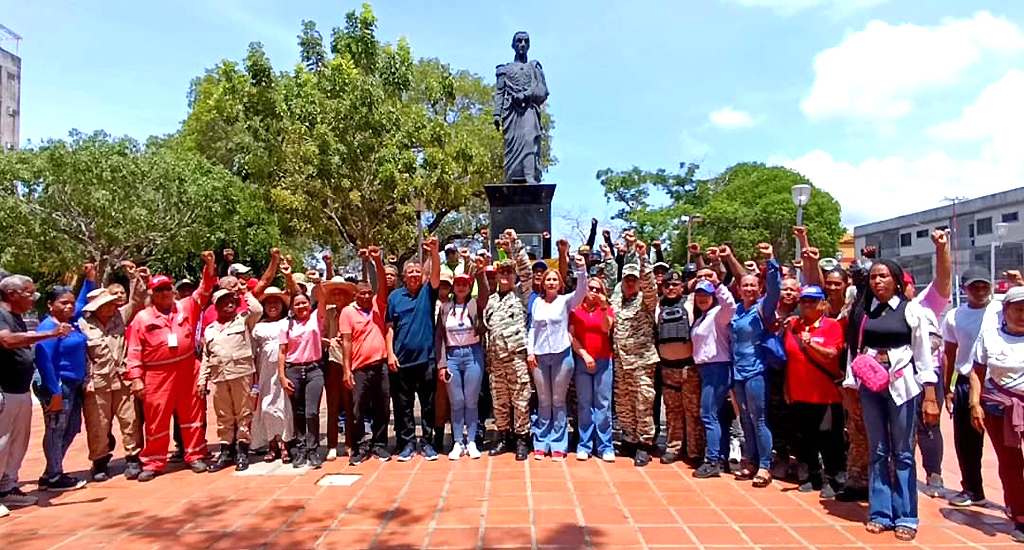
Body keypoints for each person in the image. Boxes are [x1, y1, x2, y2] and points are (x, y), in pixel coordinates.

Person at [844, 259, 939, 541]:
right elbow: (855, 349)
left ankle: (906, 515)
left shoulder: (911, 311)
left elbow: (923, 354)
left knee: (903, 452)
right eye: (873, 277)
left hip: (902, 384)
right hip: (870, 384)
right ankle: (881, 513)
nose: (877, 282)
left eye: (883, 276)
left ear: (896, 280)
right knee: (878, 450)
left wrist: (930, 394)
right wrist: (851, 386)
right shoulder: (863, 311)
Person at [126, 253, 216, 481]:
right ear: (152, 294)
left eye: (167, 288)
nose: (164, 293)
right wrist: (136, 378)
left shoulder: (187, 307)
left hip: (188, 369)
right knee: (156, 420)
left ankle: (195, 455)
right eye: (159, 290)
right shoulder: (142, 318)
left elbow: (205, 289)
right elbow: (134, 351)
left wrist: (209, 265)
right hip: (157, 374)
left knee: (192, 416)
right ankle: (154, 462)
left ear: (173, 291)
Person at [0, 275, 71, 510]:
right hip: (4, 391)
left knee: (17, 444)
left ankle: (7, 488)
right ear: (12, 294)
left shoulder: (17, 317)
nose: (34, 299)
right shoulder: (1, 315)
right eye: (29, 294)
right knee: (1, 443)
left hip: (20, 390)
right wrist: (51, 333)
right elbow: (7, 341)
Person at [79, 265, 148, 482]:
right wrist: (86, 380)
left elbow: (137, 299)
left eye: (111, 303)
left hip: (122, 378)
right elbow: (83, 355)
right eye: (106, 304)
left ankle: (133, 458)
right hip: (98, 381)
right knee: (98, 423)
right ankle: (99, 461)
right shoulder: (83, 325)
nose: (111, 307)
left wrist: (133, 276)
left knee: (131, 420)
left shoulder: (121, 316)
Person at [33, 264, 98, 491]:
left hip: (74, 384)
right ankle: (53, 476)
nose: (69, 306)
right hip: (60, 385)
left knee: (71, 428)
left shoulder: (69, 322)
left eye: (70, 303)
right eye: (63, 303)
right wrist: (55, 392)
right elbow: (43, 360)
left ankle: (52, 470)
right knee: (56, 429)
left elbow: (80, 303)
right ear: (50, 305)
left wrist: (89, 279)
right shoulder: (49, 327)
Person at [941, 266, 999, 507]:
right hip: (966, 382)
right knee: (966, 441)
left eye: (984, 285)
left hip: (997, 384)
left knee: (1007, 444)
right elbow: (949, 354)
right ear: (964, 289)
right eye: (975, 286)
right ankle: (973, 489)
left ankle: (1016, 499)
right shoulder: (954, 316)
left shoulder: (1001, 310)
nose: (980, 290)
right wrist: (947, 389)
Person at [970, 286, 1024, 544]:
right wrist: (974, 404)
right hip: (999, 408)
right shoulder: (989, 336)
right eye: (1019, 310)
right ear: (1006, 311)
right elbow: (976, 372)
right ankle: (1020, 515)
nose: (1023, 315)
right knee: (1011, 463)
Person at [783, 286, 846, 498]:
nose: (807, 304)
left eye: (812, 300)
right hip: (799, 393)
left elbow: (831, 354)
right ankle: (811, 476)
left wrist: (811, 345)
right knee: (804, 438)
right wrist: (786, 387)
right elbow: (789, 360)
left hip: (826, 395)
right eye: (803, 301)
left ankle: (833, 479)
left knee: (829, 438)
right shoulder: (793, 325)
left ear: (823, 304)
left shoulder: (832, 326)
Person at [601, 238, 659, 466]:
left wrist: (643, 257)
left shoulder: (646, 300)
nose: (630, 283)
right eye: (627, 280)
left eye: (634, 280)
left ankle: (645, 443)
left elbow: (651, 285)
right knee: (624, 403)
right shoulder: (617, 300)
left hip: (642, 361)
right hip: (621, 362)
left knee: (643, 402)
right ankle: (629, 439)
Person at [527, 253, 588, 461]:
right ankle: (541, 442)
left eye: (554, 279)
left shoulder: (565, 301)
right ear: (543, 283)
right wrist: (530, 351)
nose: (551, 282)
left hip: (562, 356)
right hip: (540, 358)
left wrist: (581, 270)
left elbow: (581, 292)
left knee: (558, 400)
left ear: (559, 283)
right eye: (548, 279)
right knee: (543, 401)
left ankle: (558, 444)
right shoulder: (536, 303)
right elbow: (532, 330)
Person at [387, 237, 441, 462]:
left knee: (428, 406)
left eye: (417, 271)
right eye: (410, 271)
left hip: (426, 361)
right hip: (401, 362)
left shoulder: (428, 292)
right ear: (403, 276)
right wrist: (390, 353)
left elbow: (436, 275)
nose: (414, 274)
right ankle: (407, 444)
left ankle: (427, 443)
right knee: (403, 407)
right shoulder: (394, 297)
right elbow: (389, 328)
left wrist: (434, 252)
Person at [729, 244, 779, 487]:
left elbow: (776, 289)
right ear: (738, 289)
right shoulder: (737, 310)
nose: (748, 288)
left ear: (759, 289)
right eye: (744, 285)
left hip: (756, 371)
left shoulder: (762, 308)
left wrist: (770, 261)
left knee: (759, 419)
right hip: (737, 372)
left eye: (752, 285)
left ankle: (765, 466)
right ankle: (750, 460)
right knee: (745, 419)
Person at [198, 286, 263, 472]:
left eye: (231, 301)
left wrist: (245, 292)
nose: (229, 304)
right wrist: (202, 380)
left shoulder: (243, 321)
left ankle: (243, 450)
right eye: (224, 302)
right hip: (219, 377)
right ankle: (226, 451)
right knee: (223, 416)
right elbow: (206, 357)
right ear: (216, 307)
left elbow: (258, 310)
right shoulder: (210, 329)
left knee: (243, 413)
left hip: (241, 374)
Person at [483, 230, 534, 460]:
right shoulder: (491, 300)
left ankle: (522, 439)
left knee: (521, 400)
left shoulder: (521, 296)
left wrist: (515, 243)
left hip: (516, 359)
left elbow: (527, 271)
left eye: (508, 272)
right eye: (501, 271)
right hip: (496, 362)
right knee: (500, 402)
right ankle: (504, 437)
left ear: (514, 277)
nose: (504, 275)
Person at [339, 247, 392, 466]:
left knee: (382, 407)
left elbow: (381, 281)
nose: (367, 296)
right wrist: (346, 369)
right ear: (355, 295)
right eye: (362, 293)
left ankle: (379, 444)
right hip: (359, 368)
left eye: (369, 293)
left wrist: (377, 261)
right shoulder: (347, 313)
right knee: (357, 410)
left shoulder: (379, 307)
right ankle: (360, 446)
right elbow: (346, 342)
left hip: (380, 366)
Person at [435, 255, 491, 460]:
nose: (460, 287)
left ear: (469, 287)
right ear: (453, 287)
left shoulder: (476, 304)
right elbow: (439, 337)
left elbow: (485, 292)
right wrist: (441, 364)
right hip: (452, 356)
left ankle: (472, 441)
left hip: (472, 354)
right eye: (457, 284)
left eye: (464, 285)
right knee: (456, 401)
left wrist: (480, 272)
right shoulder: (445, 308)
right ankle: (458, 442)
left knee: (471, 401)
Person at [278, 257, 328, 468]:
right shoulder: (286, 325)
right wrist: (282, 376)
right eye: (297, 304)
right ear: (292, 307)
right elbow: (282, 352)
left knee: (312, 411)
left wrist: (318, 282)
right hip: (293, 371)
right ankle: (300, 449)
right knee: (297, 412)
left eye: (304, 303)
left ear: (309, 304)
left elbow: (323, 299)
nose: (301, 307)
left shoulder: (317, 318)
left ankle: (313, 449)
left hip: (314, 369)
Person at [690, 265, 736, 478]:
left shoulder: (719, 314)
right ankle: (720, 455)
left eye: (706, 295)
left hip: (717, 368)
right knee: (716, 415)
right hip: (705, 370)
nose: (702, 298)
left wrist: (719, 286)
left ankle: (713, 460)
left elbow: (730, 305)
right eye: (698, 295)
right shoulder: (701, 317)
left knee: (708, 414)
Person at [656, 270, 703, 466]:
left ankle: (694, 450)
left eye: (675, 285)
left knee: (692, 411)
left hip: (689, 368)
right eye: (667, 285)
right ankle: (674, 447)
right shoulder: (657, 305)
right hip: (667, 369)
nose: (671, 288)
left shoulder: (691, 302)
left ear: (682, 286)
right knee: (673, 411)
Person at [250, 287, 293, 463]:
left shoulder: (289, 322)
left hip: (284, 370)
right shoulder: (258, 326)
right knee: (266, 407)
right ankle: (271, 444)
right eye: (269, 303)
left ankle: (285, 444)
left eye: (276, 302)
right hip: (265, 372)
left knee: (284, 406)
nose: (272, 306)